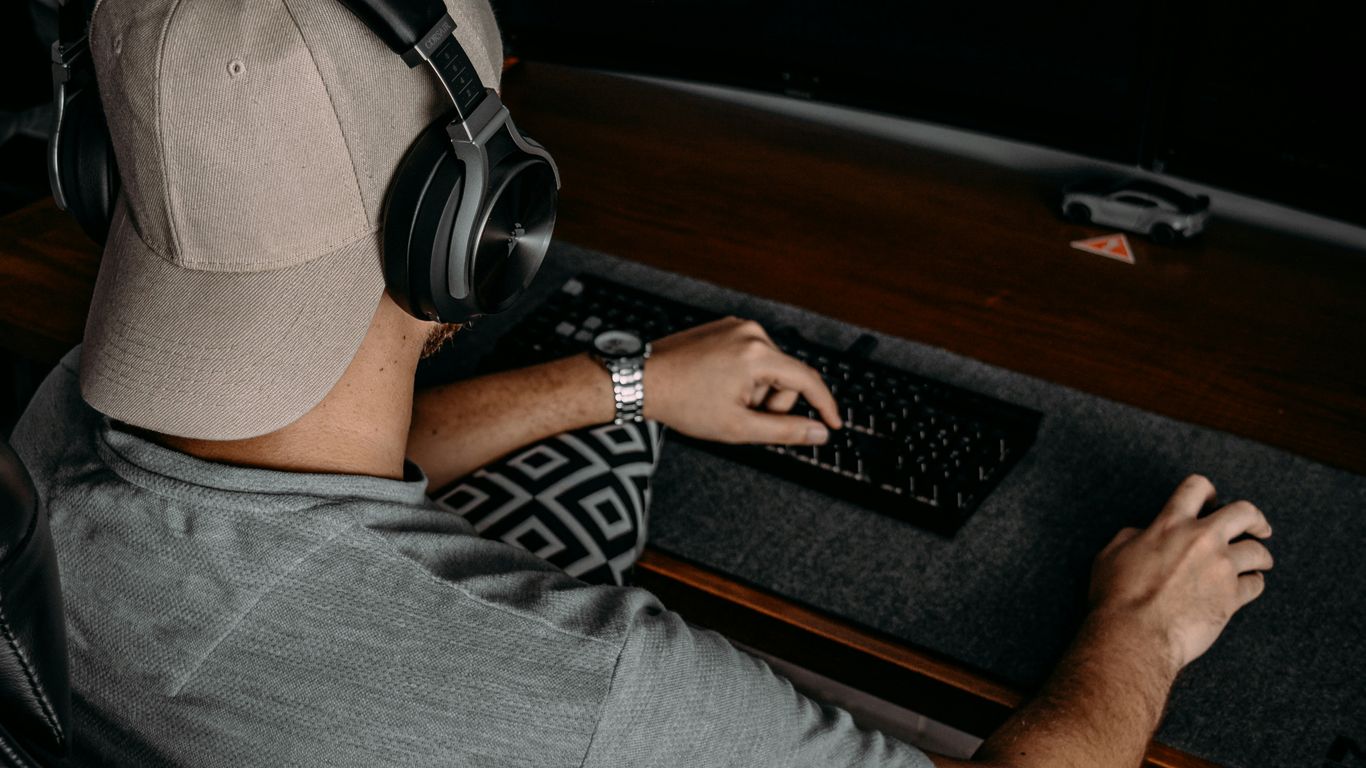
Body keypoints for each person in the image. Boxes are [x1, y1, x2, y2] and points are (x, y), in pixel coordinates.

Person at [11, 0, 1274, 765]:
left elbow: (296, 506)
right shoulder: (587, 686)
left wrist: (620, 383)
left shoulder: (58, 437)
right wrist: (1141, 631)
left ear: (104, 167)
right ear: (472, 223)